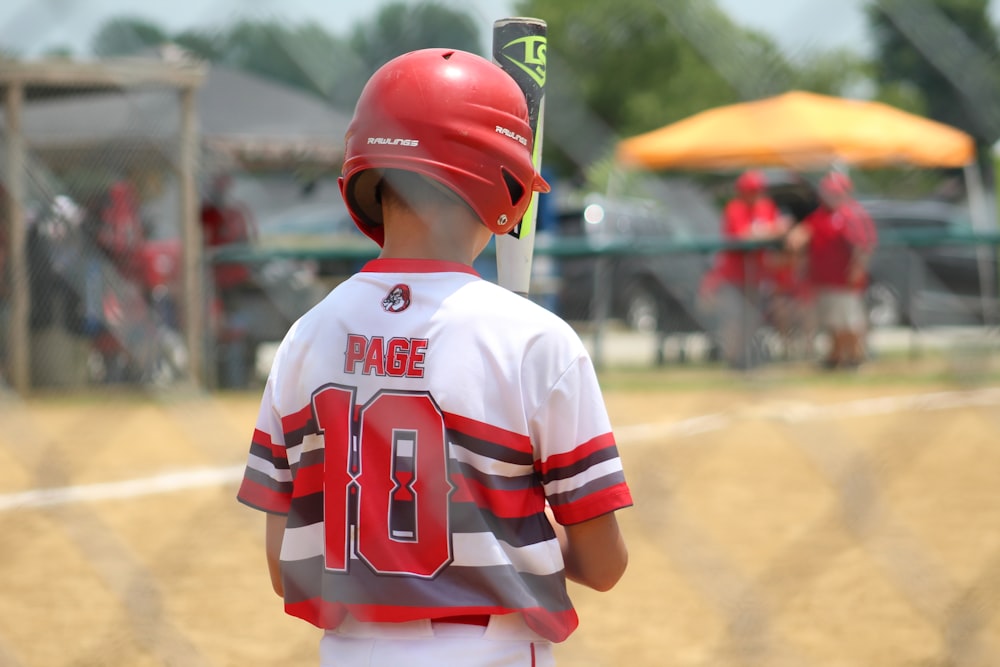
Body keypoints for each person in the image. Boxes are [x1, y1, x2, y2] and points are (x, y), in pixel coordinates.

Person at [236, 48, 632, 667]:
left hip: (348, 653)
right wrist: (506, 529)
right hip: (489, 650)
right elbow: (605, 565)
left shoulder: (305, 337)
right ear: (496, 180)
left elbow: (282, 565)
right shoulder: (535, 341)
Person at [785, 171, 877, 369]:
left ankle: (855, 358)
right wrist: (795, 237)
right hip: (823, 279)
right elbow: (804, 233)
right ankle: (835, 358)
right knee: (833, 322)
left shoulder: (851, 214)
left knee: (848, 322)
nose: (830, 196)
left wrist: (857, 269)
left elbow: (863, 246)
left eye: (835, 192)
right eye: (828, 192)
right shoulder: (821, 215)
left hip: (844, 281)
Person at [699, 169, 790, 368]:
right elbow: (742, 236)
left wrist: (767, 232)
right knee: (736, 319)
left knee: (752, 318)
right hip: (733, 276)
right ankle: (733, 360)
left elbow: (781, 229)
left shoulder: (766, 206)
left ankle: (744, 357)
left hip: (757, 274)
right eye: (750, 190)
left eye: (757, 190)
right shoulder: (735, 208)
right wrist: (769, 231)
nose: (755, 194)